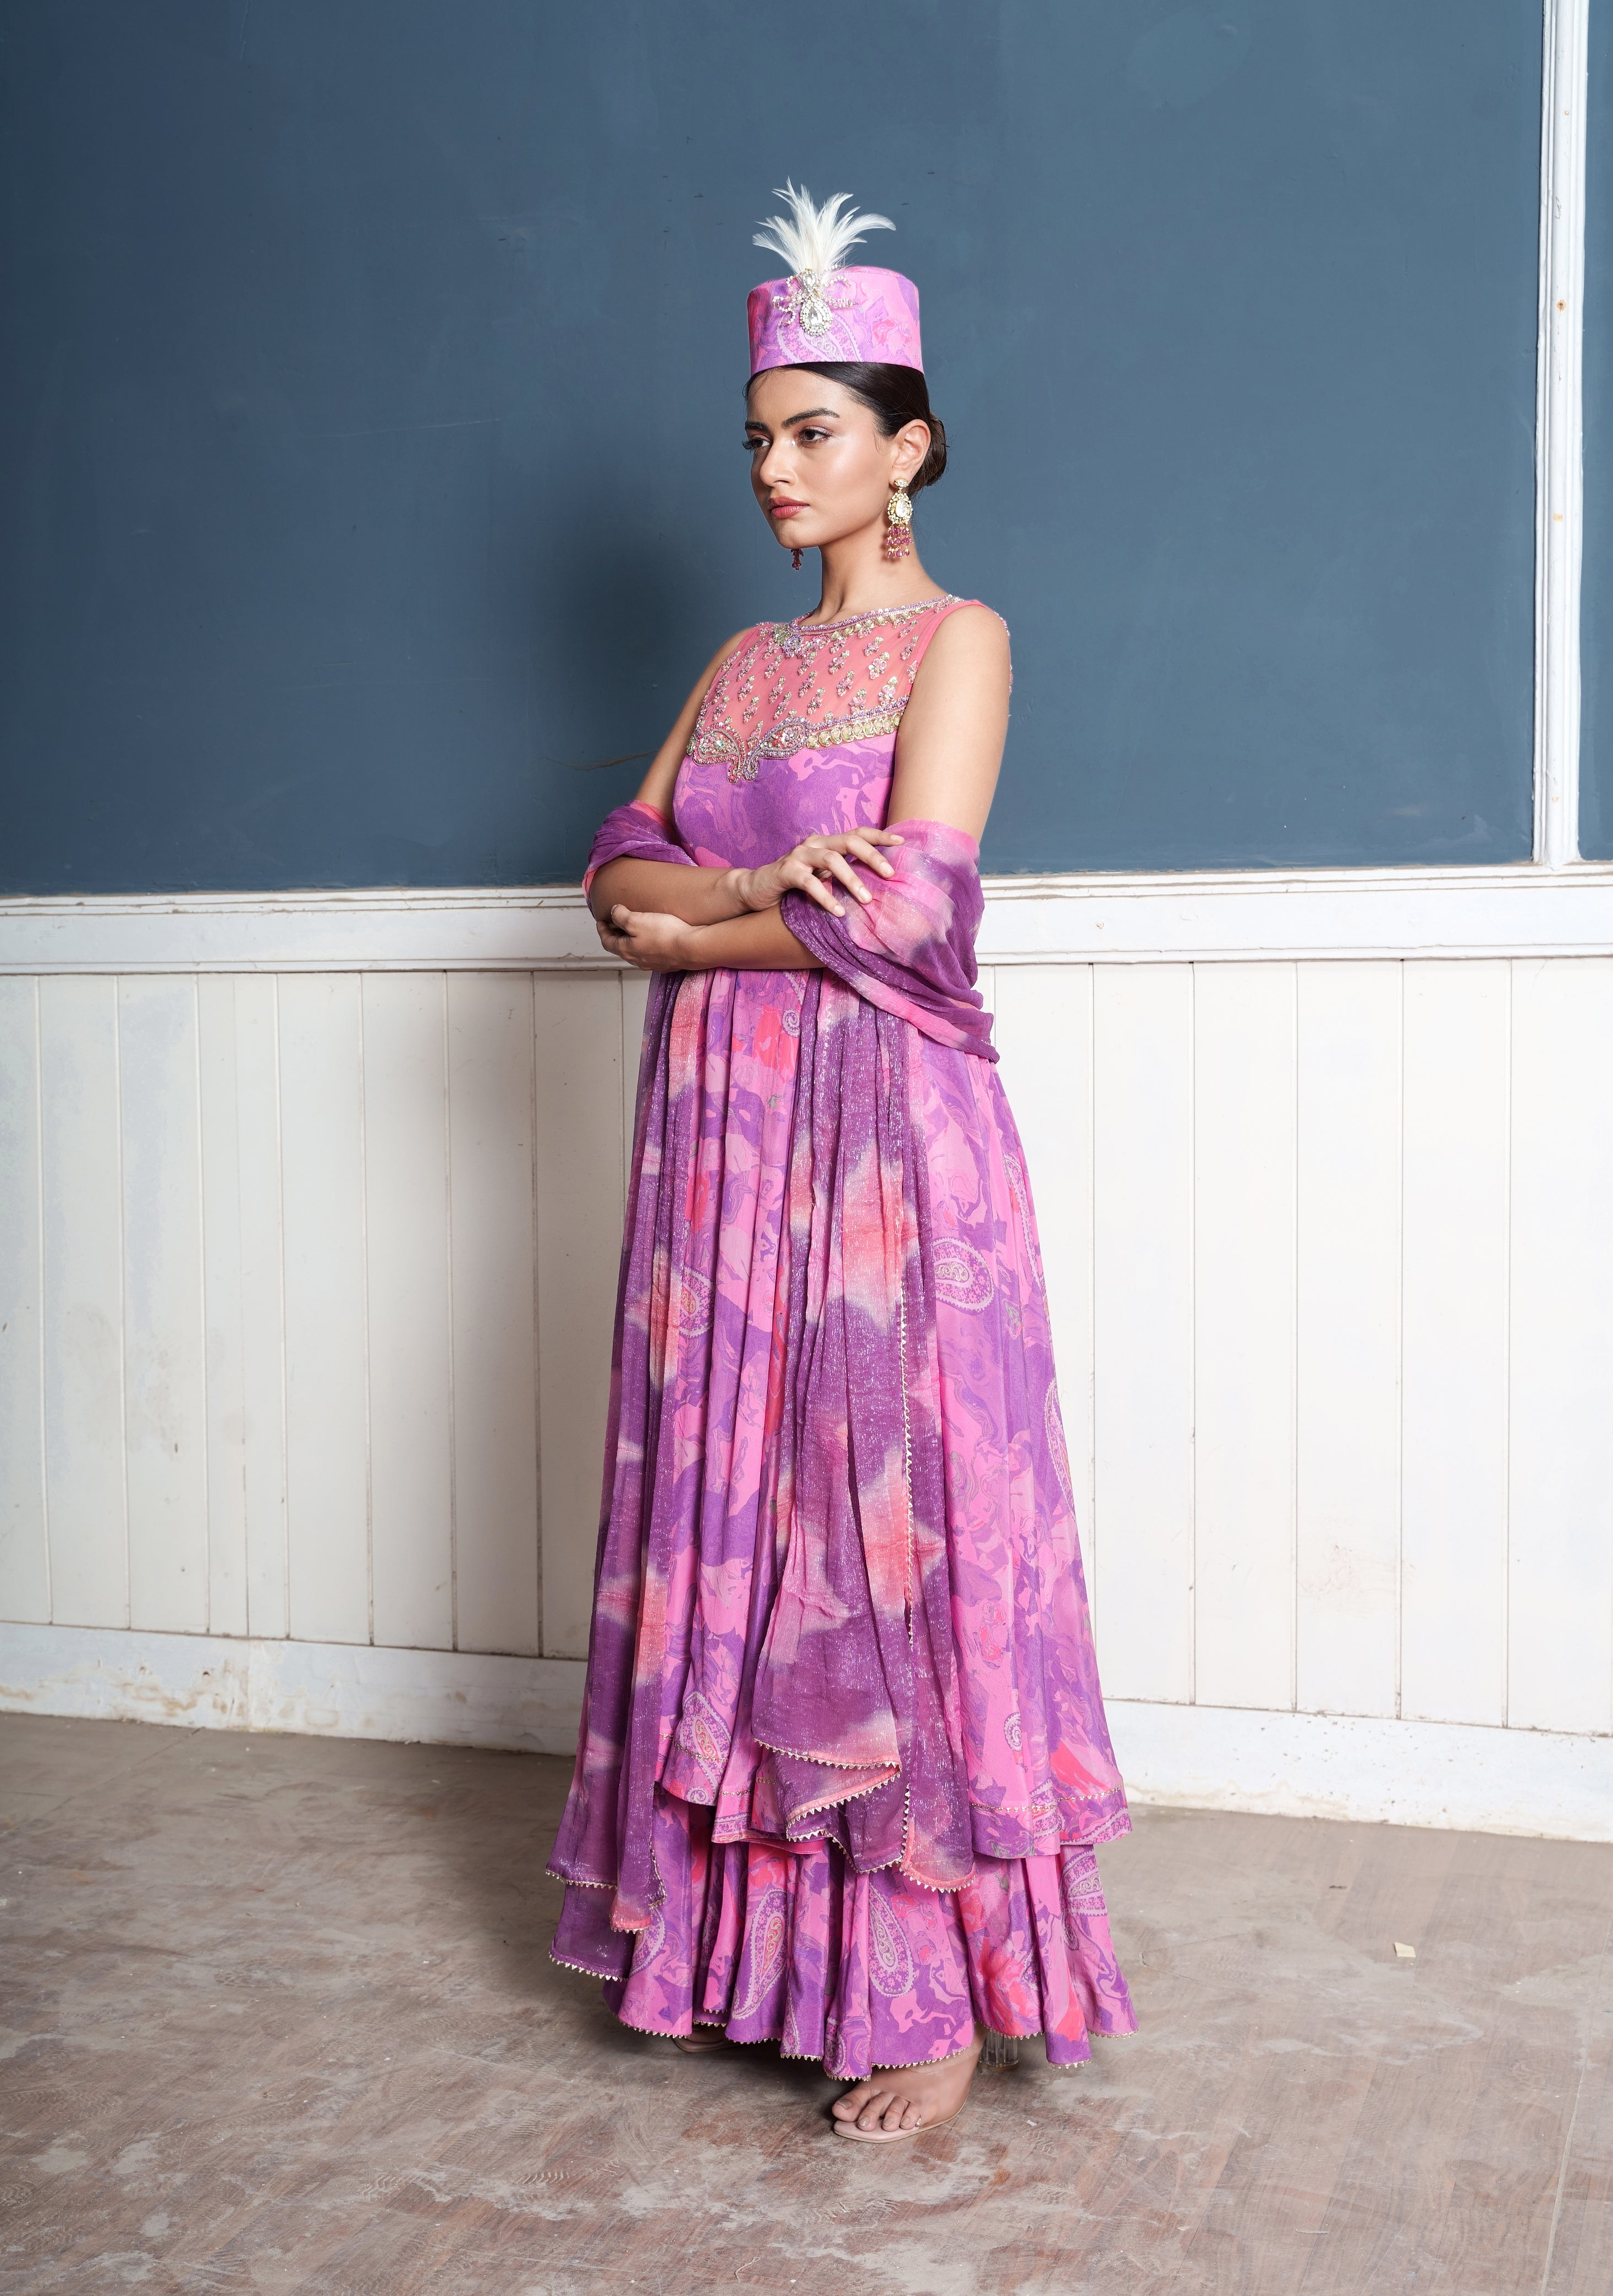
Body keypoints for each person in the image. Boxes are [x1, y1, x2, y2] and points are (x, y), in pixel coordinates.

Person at [549, 184, 1136, 2140]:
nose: (775, 470)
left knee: (887, 1532)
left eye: (813, 432)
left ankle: (934, 1994)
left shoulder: (959, 640)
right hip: (718, 1152)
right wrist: (735, 895)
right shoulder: (737, 661)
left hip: (884, 1145)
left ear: (908, 446)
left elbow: (907, 913)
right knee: (738, 1512)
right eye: (755, 439)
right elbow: (609, 870)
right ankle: (754, 1957)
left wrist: (690, 934)